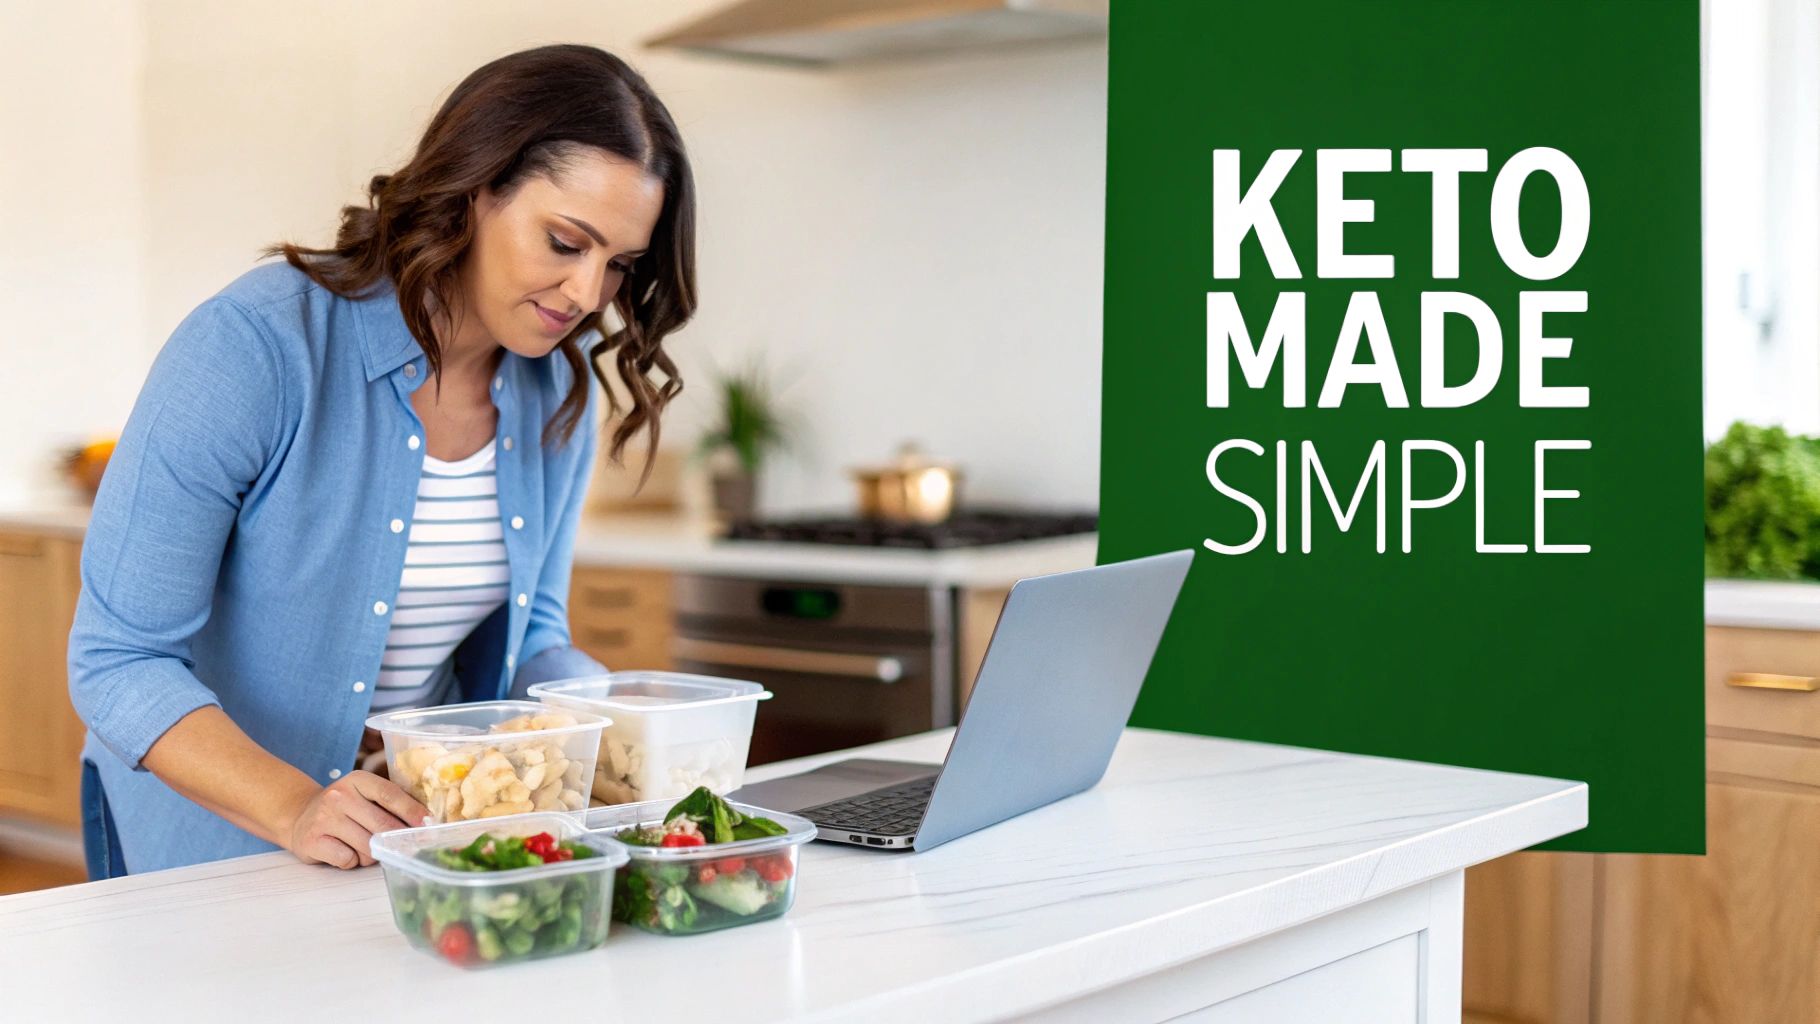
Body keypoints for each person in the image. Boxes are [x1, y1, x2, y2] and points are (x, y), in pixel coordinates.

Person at [67, 44, 695, 878]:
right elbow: (118, 660)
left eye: (618, 265)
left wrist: (613, 716)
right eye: (563, 241)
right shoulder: (257, 346)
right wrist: (296, 806)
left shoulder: (556, 393)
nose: (587, 294)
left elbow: (532, 633)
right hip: (208, 844)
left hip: (411, 848)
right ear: (477, 189)